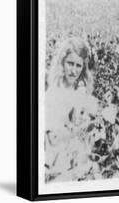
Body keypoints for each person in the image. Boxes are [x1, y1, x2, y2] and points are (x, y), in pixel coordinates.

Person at [45, 37, 98, 182]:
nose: (73, 71)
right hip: (56, 163)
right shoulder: (54, 94)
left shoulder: (80, 92)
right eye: (70, 64)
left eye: (78, 66)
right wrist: (79, 128)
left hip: (77, 160)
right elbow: (53, 139)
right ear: (62, 62)